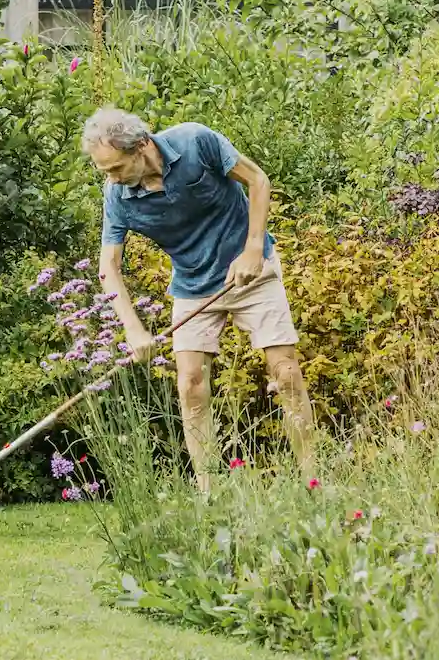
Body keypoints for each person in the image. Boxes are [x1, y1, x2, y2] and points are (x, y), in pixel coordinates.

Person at [85, 106, 318, 489]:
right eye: (103, 171)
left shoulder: (195, 141)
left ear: (141, 146)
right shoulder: (118, 197)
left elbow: (258, 180)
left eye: (114, 168)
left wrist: (253, 248)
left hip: (251, 272)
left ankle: (314, 481)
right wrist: (133, 330)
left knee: (286, 374)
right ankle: (209, 493)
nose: (110, 179)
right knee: (190, 384)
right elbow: (108, 265)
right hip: (193, 287)